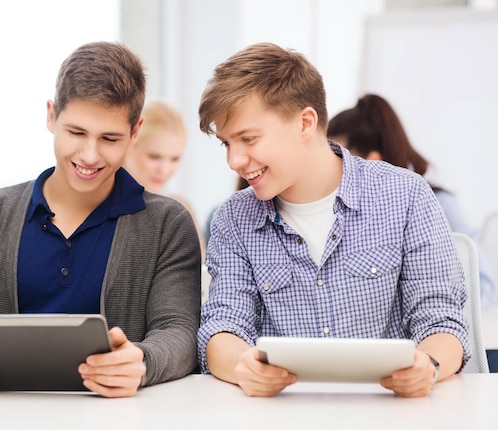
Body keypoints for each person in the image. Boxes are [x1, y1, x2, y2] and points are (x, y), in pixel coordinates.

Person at [0, 41, 201, 398]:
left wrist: (143, 360)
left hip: (117, 418)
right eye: (76, 133)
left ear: (135, 132)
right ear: (51, 116)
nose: (90, 155)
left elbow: (181, 334)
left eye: (110, 138)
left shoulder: (168, 224)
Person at [197, 42, 470, 398]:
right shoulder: (233, 219)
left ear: (305, 122)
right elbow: (223, 326)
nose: (234, 160)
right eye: (226, 144)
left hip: (389, 411)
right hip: (280, 414)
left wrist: (429, 365)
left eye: (248, 139)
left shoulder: (406, 196)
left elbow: (442, 320)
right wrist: (242, 367)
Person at [327, 93, 497, 309]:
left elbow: (484, 287)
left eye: (336, 158)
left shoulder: (436, 204)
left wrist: (431, 312)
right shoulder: (338, 214)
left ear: (371, 161)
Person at [124, 99, 206, 256]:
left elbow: (200, 275)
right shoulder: (102, 204)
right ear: (130, 147)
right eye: (154, 157)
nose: (164, 169)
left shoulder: (182, 208)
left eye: (174, 159)